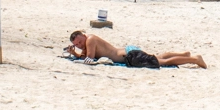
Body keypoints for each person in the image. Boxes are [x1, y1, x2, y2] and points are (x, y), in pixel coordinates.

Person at [66, 30, 206, 68]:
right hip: (129, 51)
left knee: (161, 62)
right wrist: (76, 54)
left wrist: (76, 56)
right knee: (157, 57)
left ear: (84, 36)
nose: (79, 45)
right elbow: (86, 56)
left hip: (130, 56)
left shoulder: (90, 40)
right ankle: (184, 54)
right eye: (77, 44)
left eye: (80, 42)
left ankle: (194, 59)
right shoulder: (88, 41)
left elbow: (89, 58)